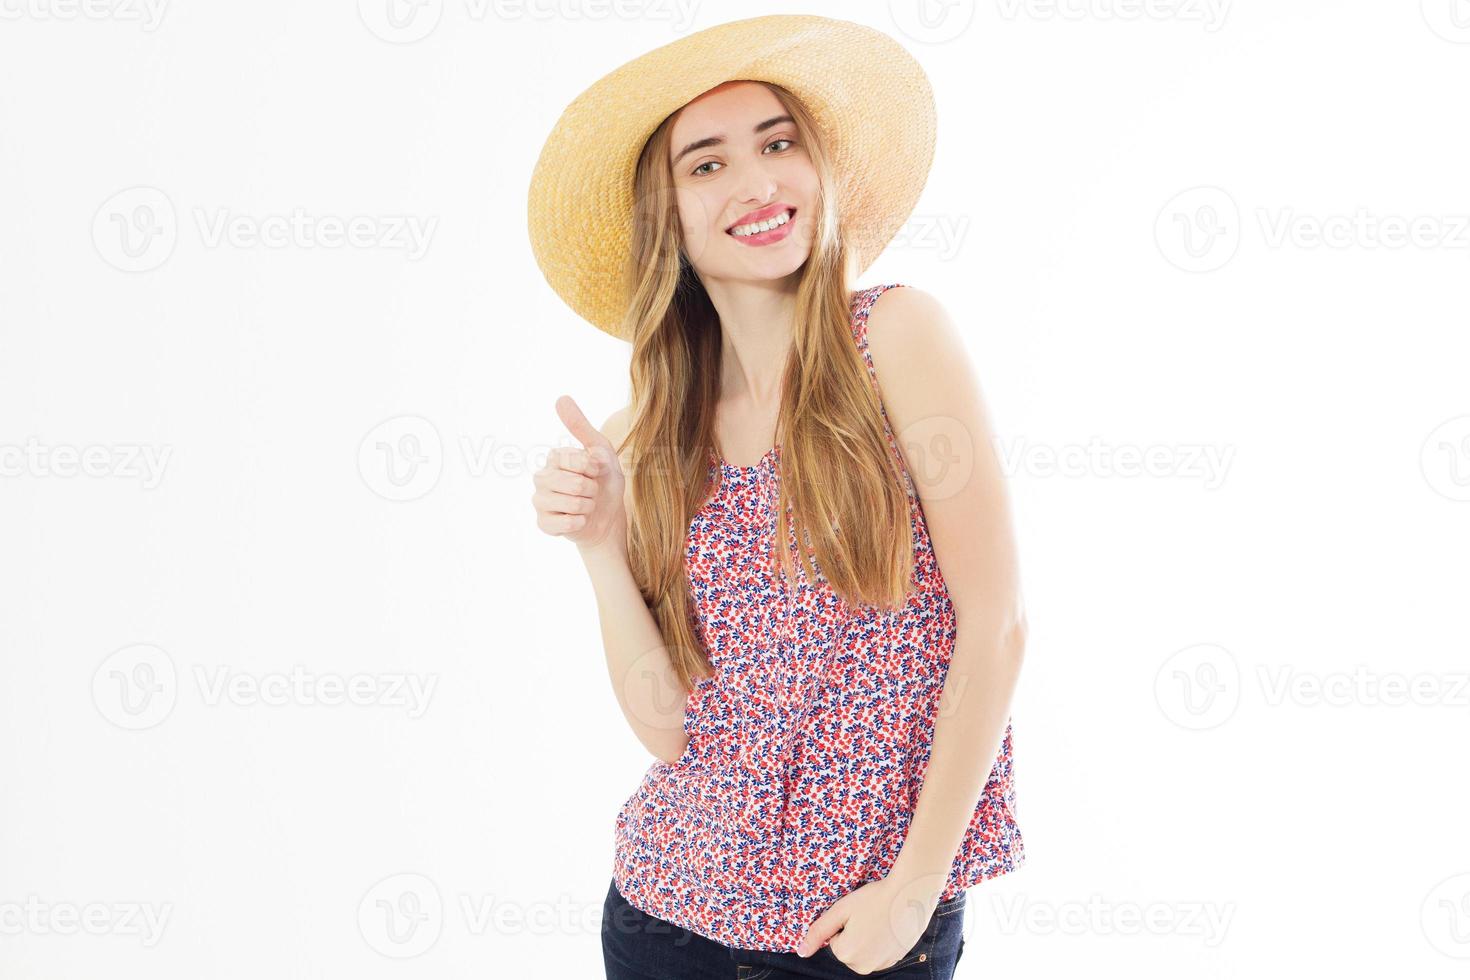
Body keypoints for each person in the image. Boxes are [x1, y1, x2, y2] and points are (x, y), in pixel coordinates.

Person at [527, 15, 1029, 979]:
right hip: (666, 920)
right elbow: (672, 725)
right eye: (705, 165)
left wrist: (912, 897)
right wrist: (599, 545)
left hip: (863, 933)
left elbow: (997, 625)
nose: (758, 183)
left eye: (778, 142)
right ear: (665, 215)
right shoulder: (653, 430)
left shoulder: (897, 339)